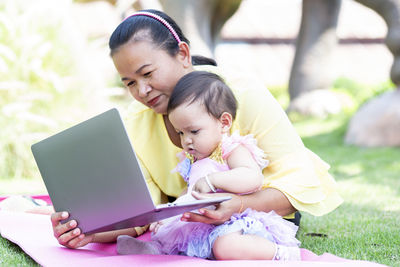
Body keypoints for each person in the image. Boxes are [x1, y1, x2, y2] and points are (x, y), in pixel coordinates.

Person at [50, 9, 343, 250]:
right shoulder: (136, 123)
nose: (142, 90)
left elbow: (303, 185)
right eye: (129, 83)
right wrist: (88, 233)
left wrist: (238, 204)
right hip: (194, 222)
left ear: (183, 54)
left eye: (148, 73)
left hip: (258, 217)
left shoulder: (242, 92)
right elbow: (140, 214)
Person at [116, 70, 301, 260]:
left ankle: (280, 254)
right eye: (180, 133)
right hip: (205, 224)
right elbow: (189, 194)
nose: (186, 140)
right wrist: (169, 216)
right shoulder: (193, 160)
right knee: (172, 236)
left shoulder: (231, 149)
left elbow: (253, 178)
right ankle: (154, 250)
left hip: (235, 223)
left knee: (225, 246)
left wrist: (213, 180)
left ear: (224, 122)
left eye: (193, 131)